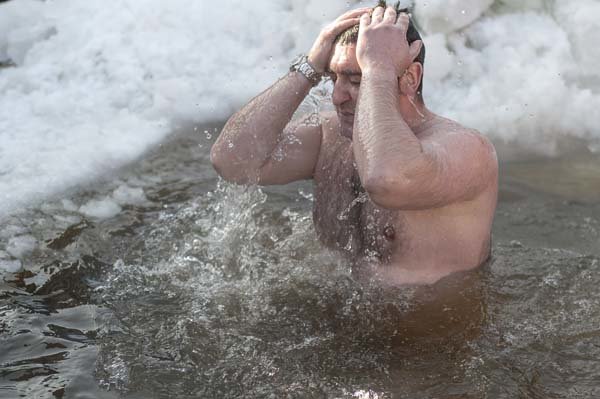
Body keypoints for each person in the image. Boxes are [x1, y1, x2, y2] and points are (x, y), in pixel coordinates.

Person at [211, 3, 498, 286]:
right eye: (333, 78)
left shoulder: (468, 150)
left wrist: (379, 67)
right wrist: (309, 66)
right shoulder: (329, 135)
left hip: (434, 332)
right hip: (335, 323)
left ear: (410, 78)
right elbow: (232, 162)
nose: (337, 97)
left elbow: (386, 179)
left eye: (357, 80)